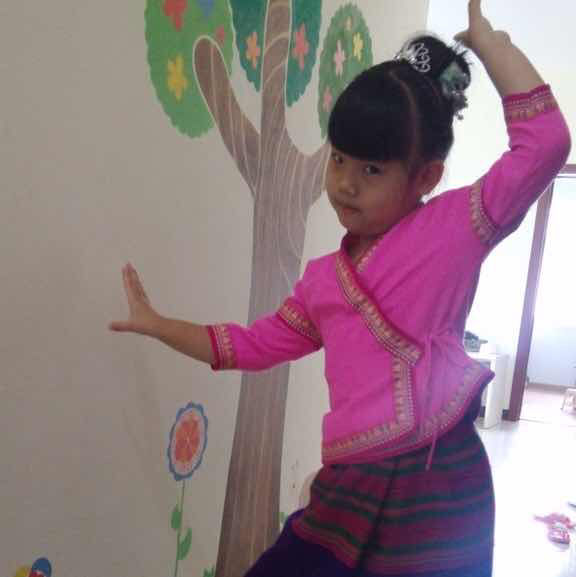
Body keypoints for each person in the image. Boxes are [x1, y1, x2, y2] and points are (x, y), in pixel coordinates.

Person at [110, 1, 571, 575]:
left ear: (426, 176)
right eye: (338, 159)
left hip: (439, 483)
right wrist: (160, 326)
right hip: (351, 484)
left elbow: (545, 144)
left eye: (372, 169)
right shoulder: (323, 281)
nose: (345, 184)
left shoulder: (455, 228)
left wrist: (490, 45)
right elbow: (249, 346)